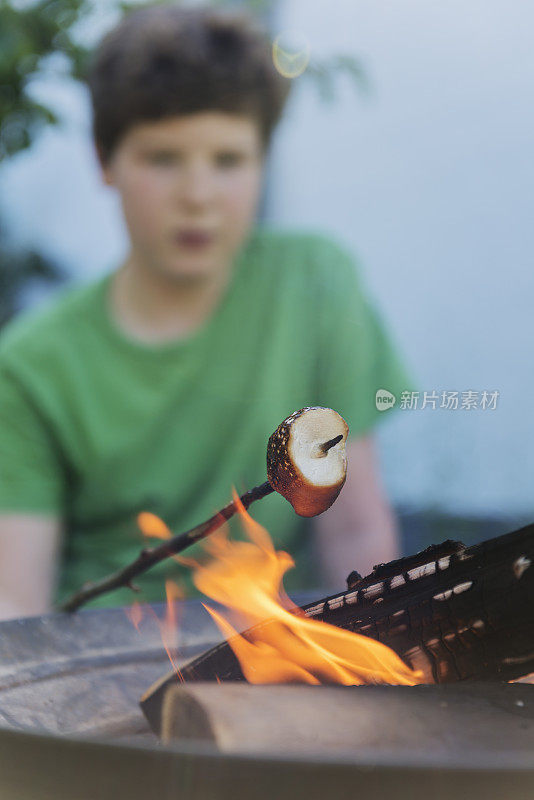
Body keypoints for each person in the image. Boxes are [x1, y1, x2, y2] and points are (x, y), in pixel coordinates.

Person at [0, 3, 413, 618]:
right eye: (163, 159)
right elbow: (17, 605)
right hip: (93, 670)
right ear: (105, 161)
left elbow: (355, 531)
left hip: (275, 655)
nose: (198, 197)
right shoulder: (30, 367)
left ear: (262, 161)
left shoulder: (318, 284)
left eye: (228, 160)